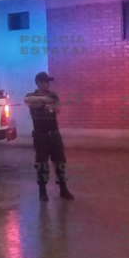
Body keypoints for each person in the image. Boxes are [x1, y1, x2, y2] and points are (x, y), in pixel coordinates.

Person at [24, 71, 73, 201]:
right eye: (45, 82)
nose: (47, 84)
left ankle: (63, 189)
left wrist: (49, 104)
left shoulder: (53, 95)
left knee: (60, 162)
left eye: (48, 82)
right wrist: (44, 100)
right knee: (42, 164)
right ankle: (42, 191)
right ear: (39, 83)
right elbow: (27, 100)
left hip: (54, 135)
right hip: (40, 137)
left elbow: (57, 109)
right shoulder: (31, 95)